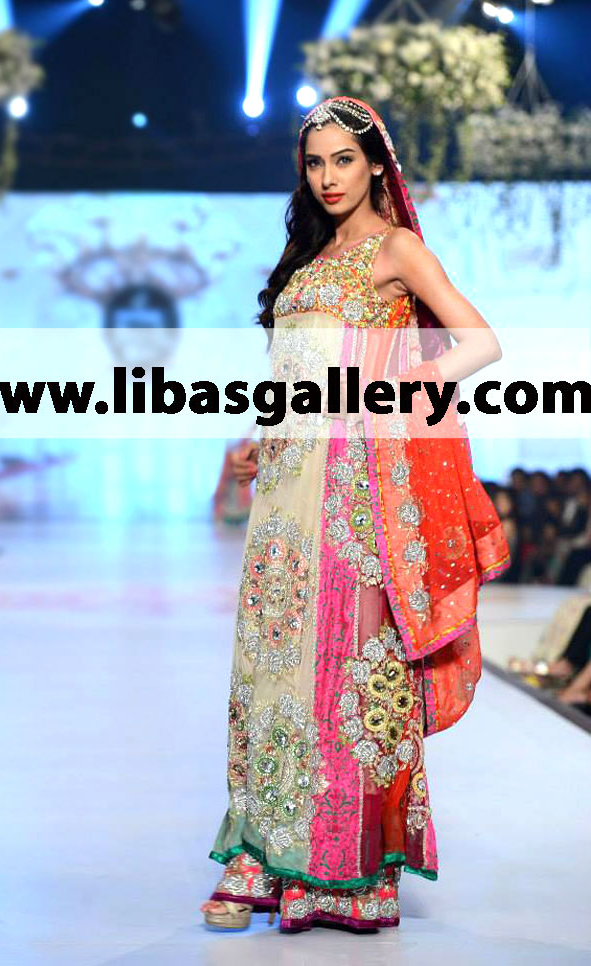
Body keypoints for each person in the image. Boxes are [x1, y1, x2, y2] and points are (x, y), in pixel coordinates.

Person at [200, 96, 510, 934]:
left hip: (355, 498)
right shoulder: (307, 257)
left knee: (343, 672)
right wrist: (262, 439)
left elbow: (480, 341)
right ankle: (261, 854)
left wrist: (398, 389)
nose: (328, 177)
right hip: (283, 499)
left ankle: (341, 869)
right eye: (315, 162)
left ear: (376, 163)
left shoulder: (395, 249)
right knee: (272, 667)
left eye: (344, 159)